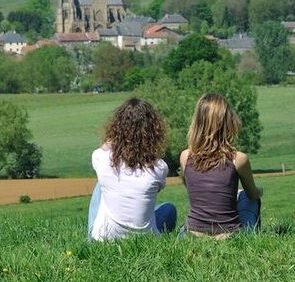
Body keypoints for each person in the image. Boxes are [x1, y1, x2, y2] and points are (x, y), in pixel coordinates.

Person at [88, 97, 177, 241]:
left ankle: (92, 237)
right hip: (146, 239)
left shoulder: (101, 158)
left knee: (101, 184)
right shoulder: (159, 167)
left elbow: (104, 147)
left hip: (106, 238)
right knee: (169, 209)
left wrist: (114, 141)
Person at [179, 93, 262, 239]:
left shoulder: (185, 156)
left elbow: (195, 189)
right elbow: (252, 194)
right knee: (249, 197)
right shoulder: (238, 159)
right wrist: (259, 191)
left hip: (193, 234)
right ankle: (254, 239)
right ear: (228, 122)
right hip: (228, 235)